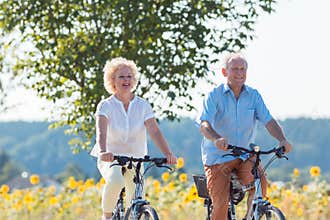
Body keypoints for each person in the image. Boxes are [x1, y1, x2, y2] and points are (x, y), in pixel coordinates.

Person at [196, 53, 292, 220]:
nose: (240, 73)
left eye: (243, 69)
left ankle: (249, 216)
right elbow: (204, 124)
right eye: (235, 69)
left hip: (244, 155)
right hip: (218, 157)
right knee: (221, 204)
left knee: (260, 184)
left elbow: (269, 121)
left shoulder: (253, 95)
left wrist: (282, 139)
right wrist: (216, 139)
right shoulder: (215, 95)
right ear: (225, 72)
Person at [90, 57, 177, 220]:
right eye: (121, 76)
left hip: (136, 158)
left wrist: (168, 153)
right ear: (112, 80)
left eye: (129, 76)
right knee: (116, 181)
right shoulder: (106, 105)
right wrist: (103, 151)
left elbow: (154, 131)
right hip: (111, 158)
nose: (126, 80)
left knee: (135, 199)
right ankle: (107, 216)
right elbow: (101, 132)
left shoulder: (143, 105)